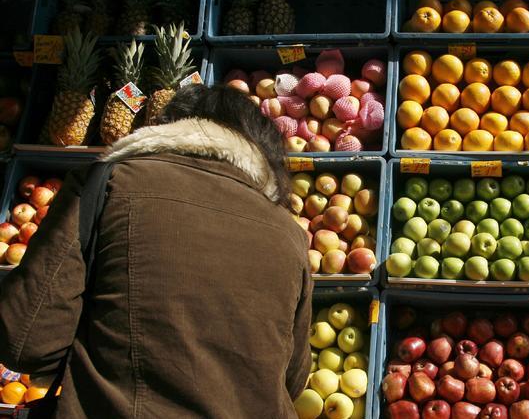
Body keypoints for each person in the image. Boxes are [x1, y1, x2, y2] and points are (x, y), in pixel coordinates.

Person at [0, 85, 312, 418]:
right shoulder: (290, 235)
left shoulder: (107, 183)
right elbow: (291, 380)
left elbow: (27, 341)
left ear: (166, 125)